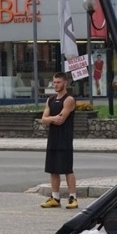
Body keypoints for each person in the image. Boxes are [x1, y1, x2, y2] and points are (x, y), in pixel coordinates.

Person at [40, 72, 78, 209]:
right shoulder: (50, 100)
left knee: (67, 169)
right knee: (53, 169)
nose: (55, 85)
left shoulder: (69, 100)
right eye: (54, 82)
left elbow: (61, 120)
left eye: (58, 82)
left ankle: (72, 197)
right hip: (53, 138)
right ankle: (55, 197)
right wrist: (51, 119)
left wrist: (49, 119)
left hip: (64, 138)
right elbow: (43, 120)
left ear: (65, 83)